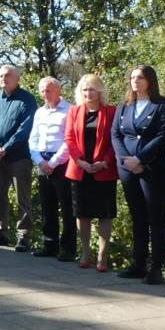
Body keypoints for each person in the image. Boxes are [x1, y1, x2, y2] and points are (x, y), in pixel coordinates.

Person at [111, 65, 165, 284]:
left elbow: (163, 135)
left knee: (155, 216)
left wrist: (140, 159)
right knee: (137, 216)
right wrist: (126, 160)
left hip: (151, 167)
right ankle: (138, 263)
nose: (135, 81)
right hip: (127, 167)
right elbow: (115, 134)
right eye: (132, 77)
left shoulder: (162, 104)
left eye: (140, 77)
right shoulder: (125, 105)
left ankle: (156, 266)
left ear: (150, 80)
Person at [64, 74, 118, 272]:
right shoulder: (74, 111)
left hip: (104, 170)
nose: (88, 93)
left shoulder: (111, 111)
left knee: (105, 214)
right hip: (80, 169)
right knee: (82, 213)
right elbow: (69, 138)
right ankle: (85, 252)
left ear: (100, 90)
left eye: (92, 89)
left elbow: (115, 140)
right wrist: (80, 161)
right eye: (85, 89)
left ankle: (103, 257)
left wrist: (104, 162)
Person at [0, 65, 37, 250]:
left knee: (23, 198)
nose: (3, 78)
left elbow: (25, 129)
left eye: (8, 75)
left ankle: (24, 237)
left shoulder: (27, 99)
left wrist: (6, 148)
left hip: (19, 157)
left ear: (17, 78)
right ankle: (0, 232)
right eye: (0, 76)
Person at [28, 76, 76, 260]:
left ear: (58, 90)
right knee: (47, 206)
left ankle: (68, 249)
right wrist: (39, 161)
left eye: (48, 90)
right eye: (42, 90)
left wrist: (54, 162)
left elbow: (69, 140)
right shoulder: (40, 112)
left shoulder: (70, 110)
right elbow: (33, 138)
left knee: (67, 206)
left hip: (62, 162)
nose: (44, 94)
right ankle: (49, 244)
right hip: (43, 160)